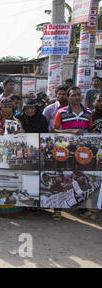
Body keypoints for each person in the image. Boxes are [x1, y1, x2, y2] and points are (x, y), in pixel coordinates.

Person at [52, 87, 95, 221]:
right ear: (69, 98)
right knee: (63, 178)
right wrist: (71, 131)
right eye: (73, 95)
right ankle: (58, 209)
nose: (76, 97)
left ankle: (83, 209)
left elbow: (91, 130)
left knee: (82, 178)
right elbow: (54, 130)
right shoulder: (61, 112)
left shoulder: (88, 113)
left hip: (83, 154)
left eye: (78, 95)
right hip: (66, 152)